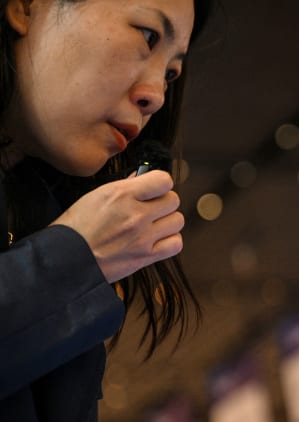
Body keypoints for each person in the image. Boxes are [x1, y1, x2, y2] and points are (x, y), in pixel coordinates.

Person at [0, 0, 214, 419]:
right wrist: (76, 256)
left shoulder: (38, 211)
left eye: (171, 73)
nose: (157, 95)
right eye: (148, 36)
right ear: (25, 7)